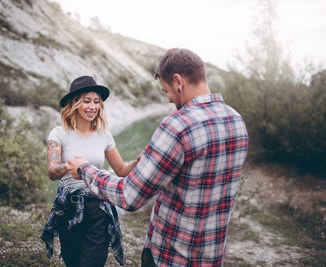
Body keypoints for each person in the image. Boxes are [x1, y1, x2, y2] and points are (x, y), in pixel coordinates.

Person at [67, 48, 249, 266]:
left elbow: (129, 196)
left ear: (178, 82)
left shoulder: (177, 125)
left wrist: (85, 168)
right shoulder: (236, 120)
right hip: (211, 257)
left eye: (166, 91)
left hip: (170, 258)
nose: (170, 99)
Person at [41, 75, 141, 267]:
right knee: (72, 260)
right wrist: (68, 167)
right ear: (74, 103)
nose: (92, 106)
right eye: (86, 101)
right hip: (68, 207)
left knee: (92, 262)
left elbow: (120, 170)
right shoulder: (58, 133)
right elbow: (51, 172)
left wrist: (137, 162)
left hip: (98, 209)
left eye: (96, 102)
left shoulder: (104, 135)